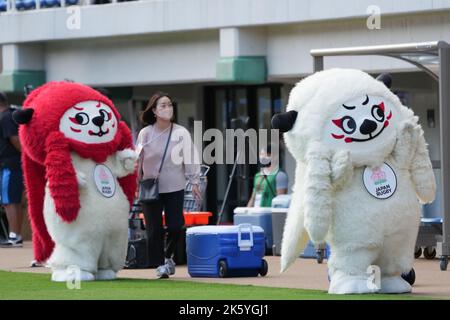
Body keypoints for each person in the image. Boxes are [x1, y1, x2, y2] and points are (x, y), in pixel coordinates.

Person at [137, 92, 201, 279]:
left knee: (175, 226)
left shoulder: (180, 133)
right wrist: (134, 181)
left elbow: (190, 158)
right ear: (154, 111)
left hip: (174, 186)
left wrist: (195, 181)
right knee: (154, 229)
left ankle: (167, 257)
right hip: (150, 187)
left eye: (170, 105)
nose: (168, 108)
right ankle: (160, 265)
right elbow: (138, 159)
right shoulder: (145, 133)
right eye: (163, 105)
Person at [0, 92, 24, 247]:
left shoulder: (6, 117)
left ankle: (15, 236)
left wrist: (28, 157)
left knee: (11, 201)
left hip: (11, 164)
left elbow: (15, 139)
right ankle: (14, 235)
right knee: (8, 201)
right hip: (7, 164)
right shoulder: (7, 116)